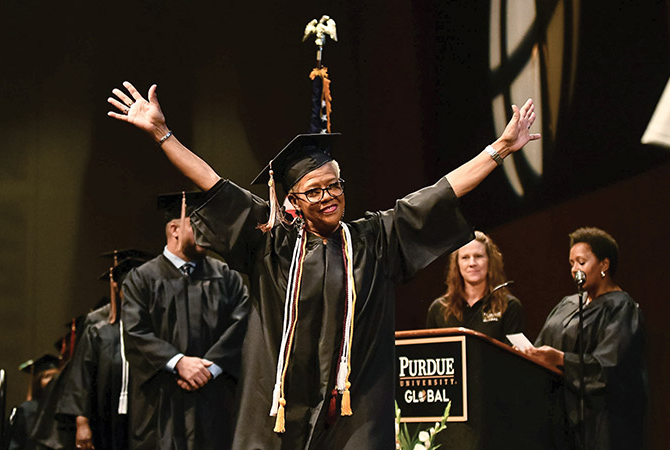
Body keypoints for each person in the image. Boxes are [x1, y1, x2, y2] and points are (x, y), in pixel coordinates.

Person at [107, 80, 539, 449]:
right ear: (292, 200)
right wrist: (163, 133)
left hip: (353, 413)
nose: (328, 197)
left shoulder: (374, 240)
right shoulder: (271, 247)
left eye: (334, 186)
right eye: (314, 191)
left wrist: (501, 148)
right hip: (280, 410)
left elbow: (441, 193)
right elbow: (212, 181)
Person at [120, 191, 250, 450]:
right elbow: (135, 332)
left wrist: (210, 368)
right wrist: (178, 362)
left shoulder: (226, 276)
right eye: (200, 225)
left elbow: (243, 323)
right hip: (161, 404)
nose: (209, 233)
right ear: (174, 228)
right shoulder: (141, 279)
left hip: (213, 401)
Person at [523, 227, 648, 450]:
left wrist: (560, 359)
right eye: (571, 263)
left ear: (604, 265)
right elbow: (543, 346)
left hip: (600, 424)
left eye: (581, 262)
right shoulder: (568, 304)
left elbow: (610, 367)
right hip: (560, 419)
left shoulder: (621, 308)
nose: (574, 269)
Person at [57, 255, 149, 450]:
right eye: (128, 290)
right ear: (120, 292)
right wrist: (82, 424)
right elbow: (82, 380)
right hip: (104, 421)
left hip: (144, 422)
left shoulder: (153, 333)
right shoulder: (99, 333)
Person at [425, 230, 522, 343]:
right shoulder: (438, 309)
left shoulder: (509, 307)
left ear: (490, 261)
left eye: (478, 256)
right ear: (457, 264)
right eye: (465, 257)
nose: (472, 263)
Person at [5, 354, 61, 450]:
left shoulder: (65, 408)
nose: (52, 380)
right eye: (47, 376)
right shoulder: (26, 410)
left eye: (55, 375)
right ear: (38, 381)